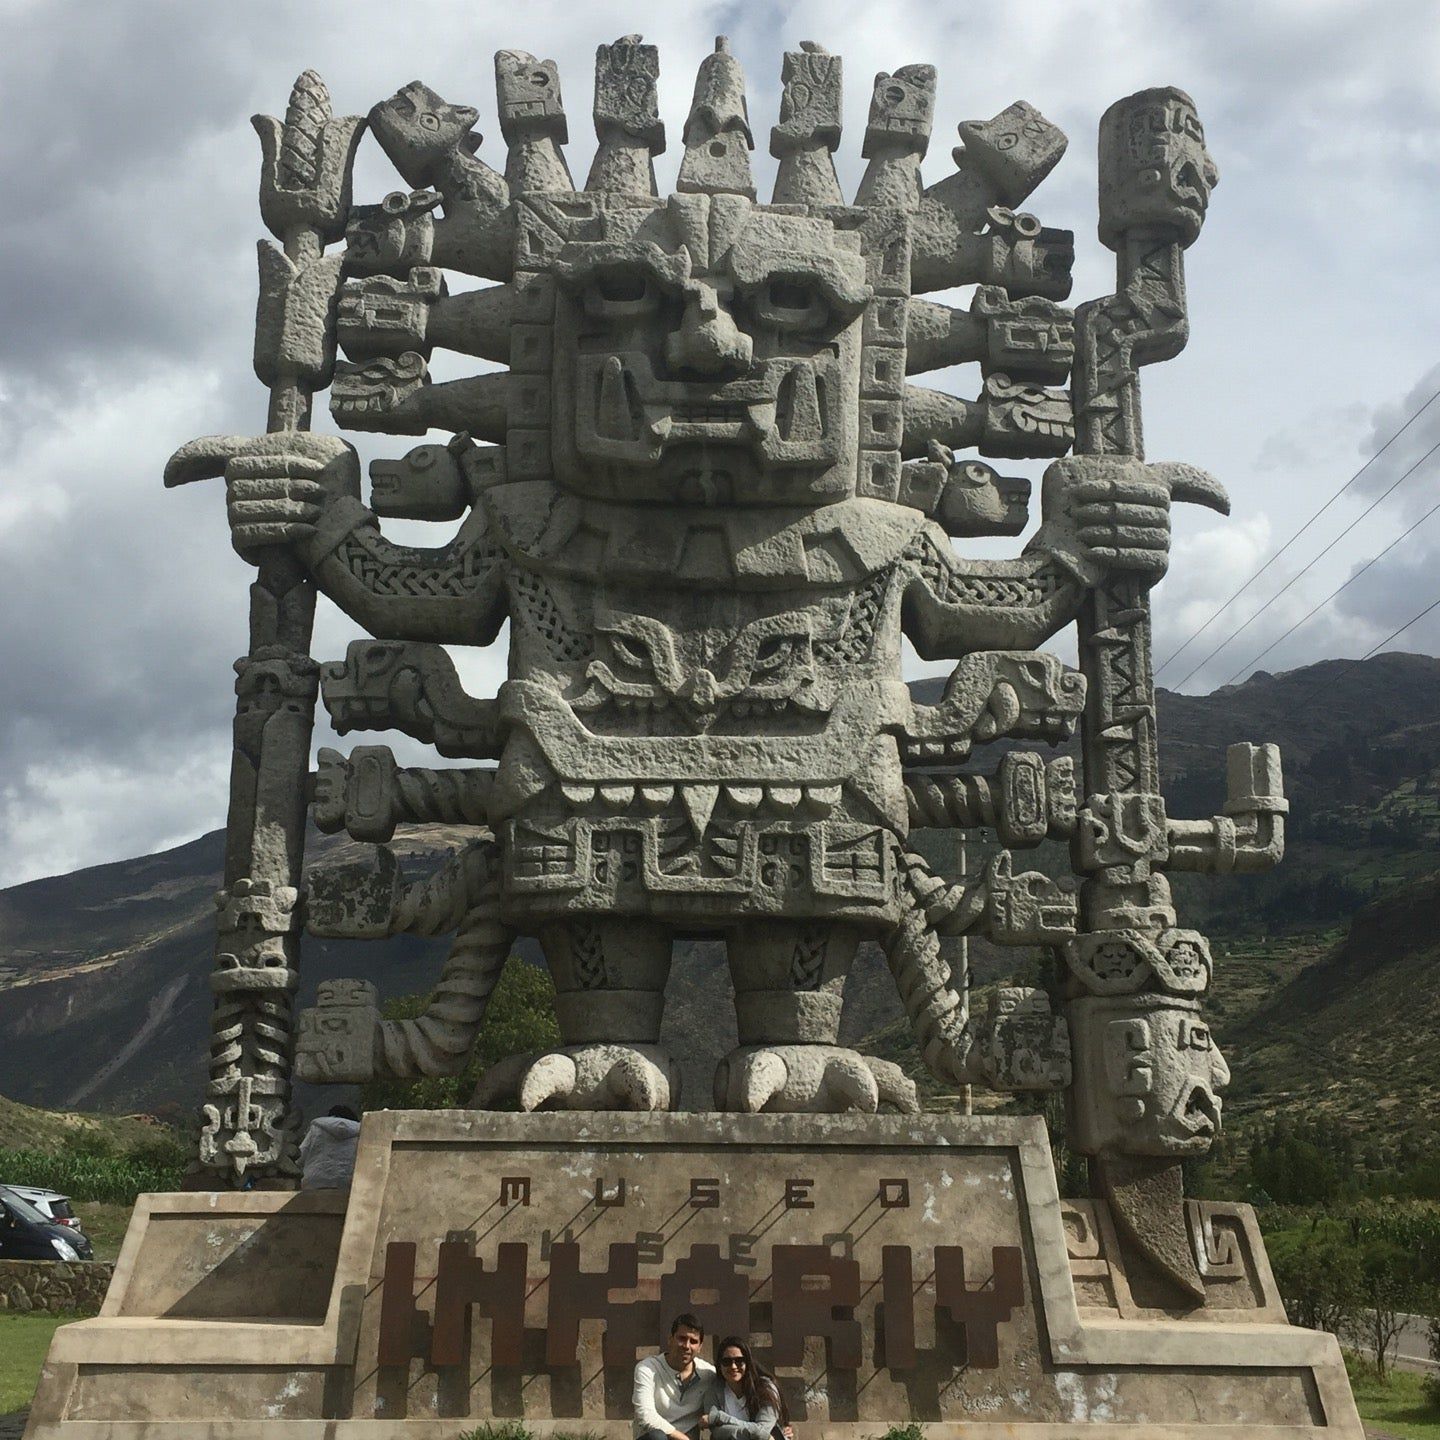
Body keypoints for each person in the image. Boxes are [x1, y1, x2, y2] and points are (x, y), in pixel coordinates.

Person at [633, 1313, 715, 1440]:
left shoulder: (708, 1374)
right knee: (657, 1436)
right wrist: (682, 1438)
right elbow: (645, 1415)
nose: (687, 1346)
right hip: (656, 1437)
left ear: (700, 1347)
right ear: (670, 1339)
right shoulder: (647, 1369)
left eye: (693, 1341)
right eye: (682, 1338)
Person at [702, 1336, 790, 1440]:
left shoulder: (766, 1388)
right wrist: (754, 1432)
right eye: (727, 1361)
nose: (733, 1366)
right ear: (719, 1365)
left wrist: (720, 1417)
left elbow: (763, 1430)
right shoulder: (714, 1391)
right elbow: (718, 1433)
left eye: (739, 1361)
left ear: (747, 1362)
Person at [298, 1105, 361, 1190]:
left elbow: (300, 1155)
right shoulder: (361, 1131)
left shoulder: (317, 1128)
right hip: (348, 1182)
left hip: (315, 1181)